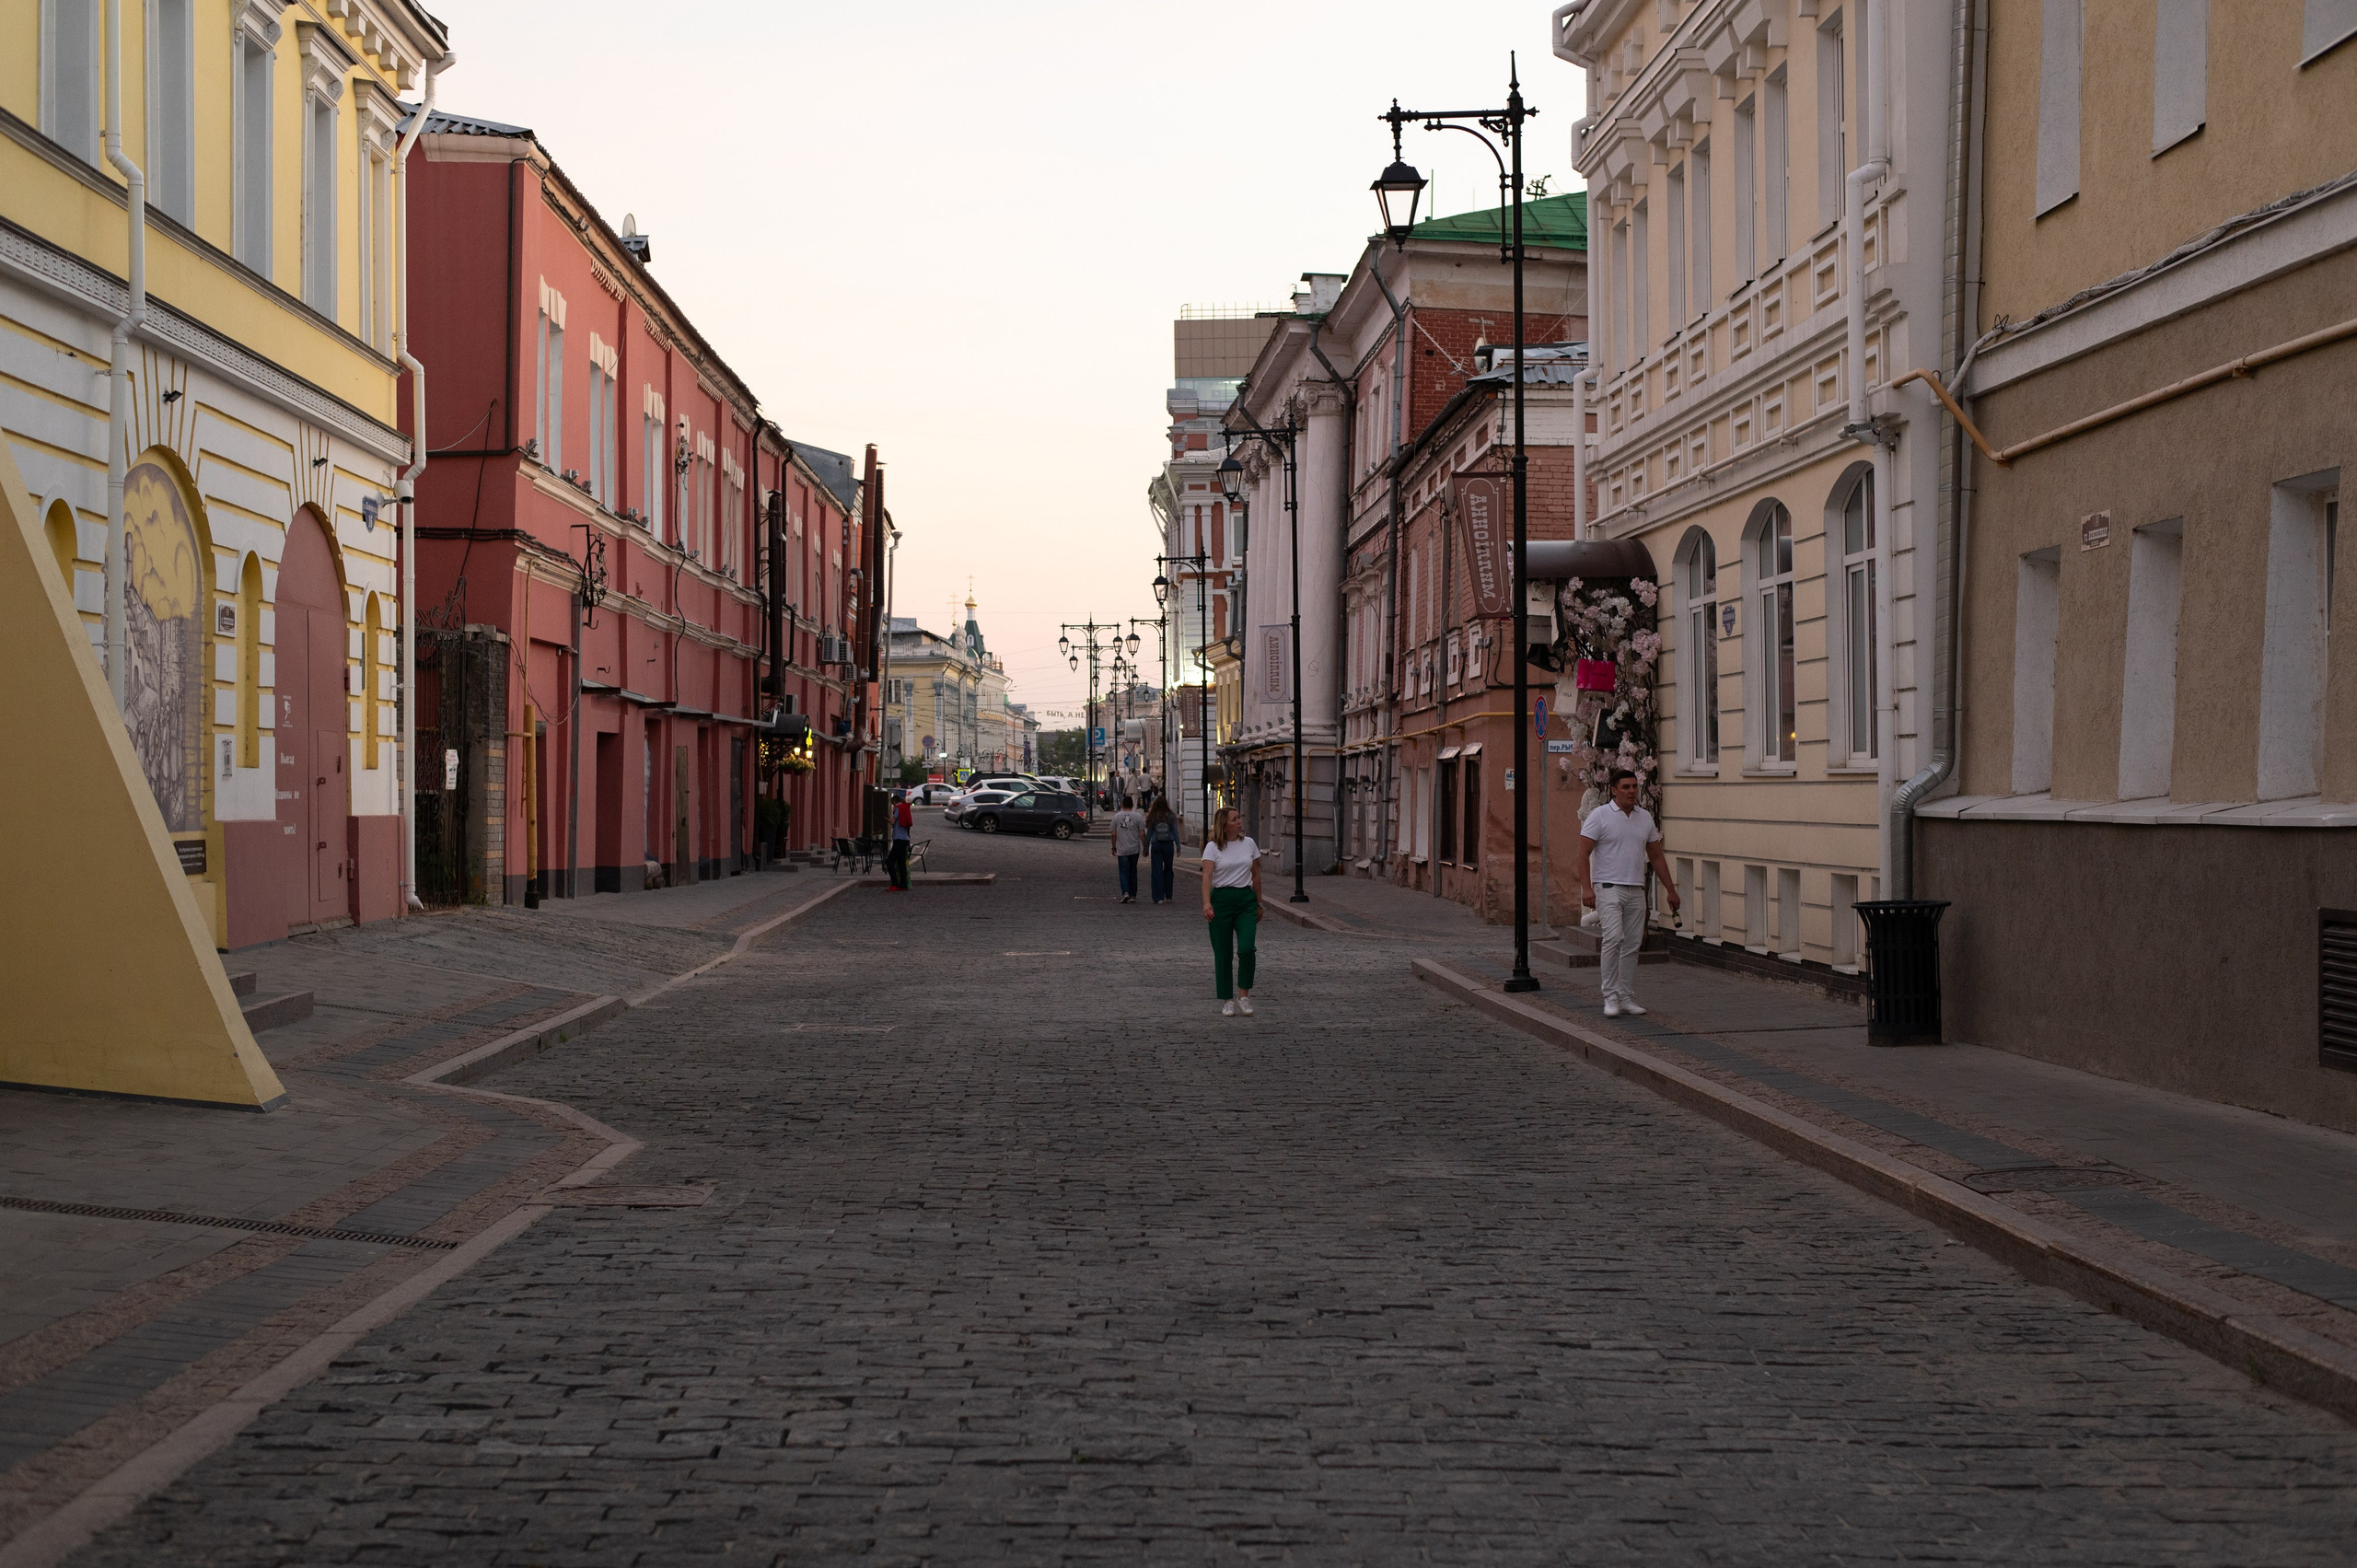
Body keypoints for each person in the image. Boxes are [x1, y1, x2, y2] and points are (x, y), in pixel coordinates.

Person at [1573, 768, 1680, 1018]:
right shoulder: (1599, 816)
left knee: (1632, 944)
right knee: (1613, 938)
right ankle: (1609, 996)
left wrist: (1671, 890)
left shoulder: (1644, 818)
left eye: (1634, 787)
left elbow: (1655, 855)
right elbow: (1582, 853)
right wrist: (1587, 888)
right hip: (1607, 886)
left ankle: (1625, 995)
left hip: (1635, 887)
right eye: (1626, 787)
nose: (1632, 791)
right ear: (1614, 789)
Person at [1200, 807, 1262, 1016]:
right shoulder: (1212, 848)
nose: (1239, 822)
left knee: (1247, 949)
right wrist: (1207, 903)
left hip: (1245, 900)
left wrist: (1259, 903)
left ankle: (1244, 996)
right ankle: (1227, 999)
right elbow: (1207, 877)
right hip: (1221, 901)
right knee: (1223, 952)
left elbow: (1256, 875)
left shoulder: (1249, 844)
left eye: (1239, 818)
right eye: (1234, 819)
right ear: (1224, 826)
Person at [1144, 796, 1179, 903]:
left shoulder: (1153, 816)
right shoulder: (1171, 816)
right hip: (1168, 844)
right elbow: (1175, 832)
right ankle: (1169, 895)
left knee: (1156, 871)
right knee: (1168, 870)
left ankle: (1158, 897)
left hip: (1156, 844)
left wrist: (1145, 848)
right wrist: (1178, 846)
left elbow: (1149, 833)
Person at [1110, 795, 1146, 903]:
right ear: (1132, 804)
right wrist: (1145, 847)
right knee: (1133, 871)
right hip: (1134, 848)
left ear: (1122, 804)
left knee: (1123, 871)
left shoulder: (1116, 817)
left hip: (1122, 849)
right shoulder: (1138, 817)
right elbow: (1142, 834)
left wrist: (1113, 847)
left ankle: (1125, 891)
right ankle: (1133, 895)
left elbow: (1113, 834)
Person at [886, 789, 914, 891]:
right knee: (901, 863)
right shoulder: (905, 808)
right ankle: (903, 884)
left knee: (890, 862)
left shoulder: (898, 809)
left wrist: (889, 819)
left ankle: (895, 883)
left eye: (893, 805)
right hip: (905, 839)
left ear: (894, 802)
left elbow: (893, 822)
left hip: (899, 840)